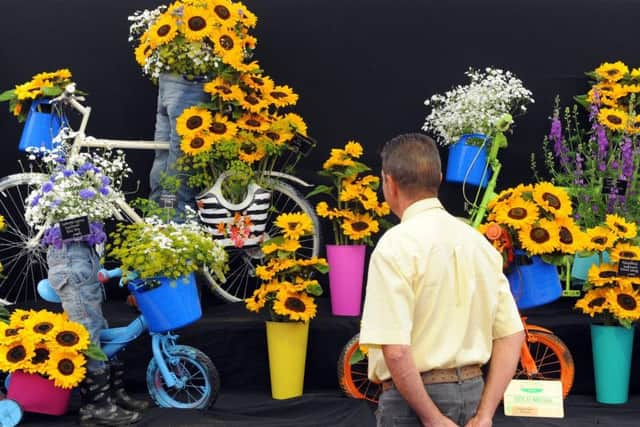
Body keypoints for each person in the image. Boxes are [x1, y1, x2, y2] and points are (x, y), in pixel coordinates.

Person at [359, 133, 525, 427]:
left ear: (389, 182)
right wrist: (485, 414)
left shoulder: (394, 246)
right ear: (438, 177)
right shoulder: (479, 244)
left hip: (411, 401)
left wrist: (432, 418)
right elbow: (512, 336)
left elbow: (395, 351)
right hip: (474, 394)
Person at [48, 241, 149, 426]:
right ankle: (96, 406)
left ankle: (112, 395)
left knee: (98, 325)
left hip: (84, 250)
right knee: (87, 330)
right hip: (71, 254)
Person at [149, 73, 209, 217]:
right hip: (190, 81)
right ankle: (174, 220)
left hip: (168, 77)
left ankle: (158, 217)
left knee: (164, 156)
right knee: (179, 158)